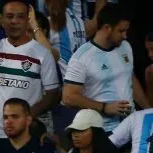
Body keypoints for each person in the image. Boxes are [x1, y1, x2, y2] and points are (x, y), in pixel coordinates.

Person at [0, 0, 60, 144]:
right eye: (9, 16)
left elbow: (52, 93)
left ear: (28, 20)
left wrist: (27, 116)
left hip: (26, 135)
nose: (14, 21)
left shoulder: (42, 54)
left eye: (20, 17)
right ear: (2, 20)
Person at [62, 4, 147, 134]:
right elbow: (68, 97)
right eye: (121, 31)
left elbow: (130, 79)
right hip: (101, 130)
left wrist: (148, 110)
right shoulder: (82, 57)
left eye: (126, 31)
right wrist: (104, 107)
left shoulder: (126, 47)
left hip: (130, 125)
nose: (125, 35)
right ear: (107, 28)